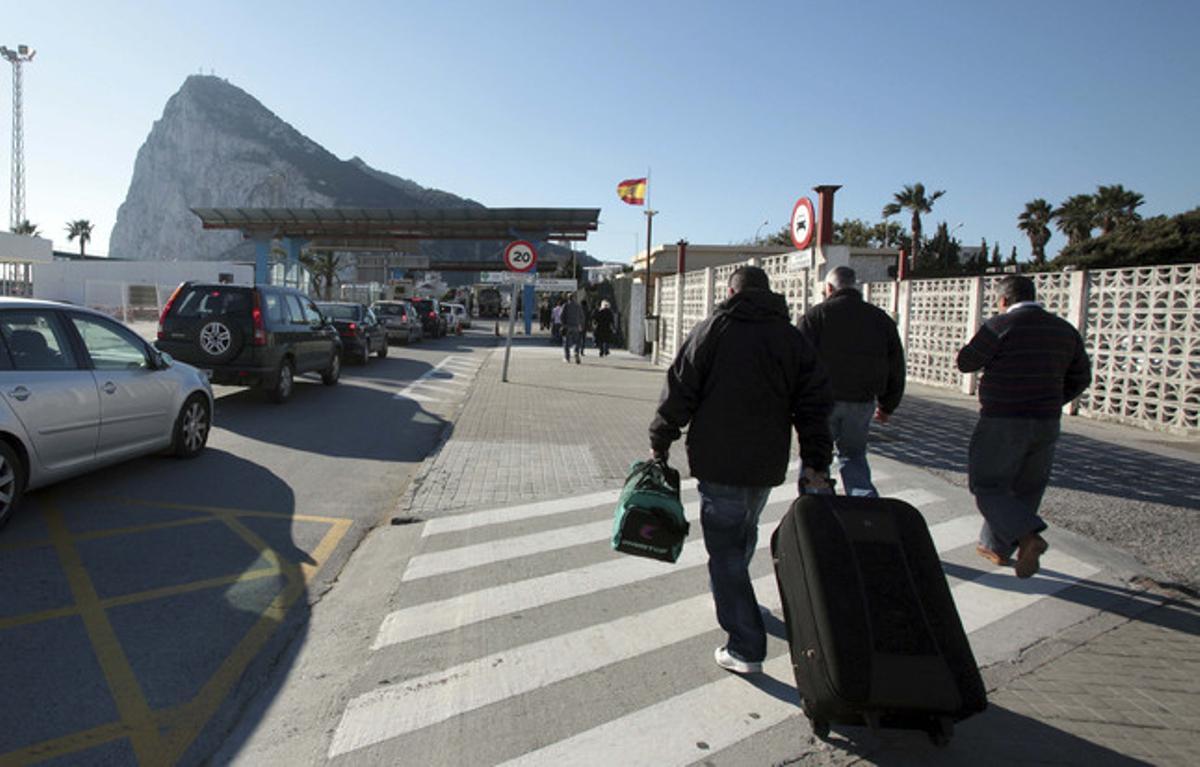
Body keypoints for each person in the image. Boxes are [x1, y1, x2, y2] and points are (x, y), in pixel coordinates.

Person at [649, 265, 833, 674]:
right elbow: (815, 405)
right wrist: (816, 460)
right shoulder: (792, 338)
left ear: (731, 291)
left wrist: (661, 437)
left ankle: (746, 646)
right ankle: (734, 598)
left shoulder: (713, 330)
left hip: (719, 460)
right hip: (766, 462)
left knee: (726, 552)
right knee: (743, 533)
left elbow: (680, 387)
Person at [957, 275, 1091, 579]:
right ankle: (997, 547)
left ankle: (1029, 538)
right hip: (1046, 421)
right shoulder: (1064, 330)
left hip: (1003, 419)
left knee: (988, 485)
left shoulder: (1000, 326)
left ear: (1004, 300)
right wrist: (1054, 398)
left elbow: (966, 362)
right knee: (1026, 488)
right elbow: (1081, 377)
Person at [797, 266, 906, 497]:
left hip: (821, 404)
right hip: (862, 402)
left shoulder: (815, 317)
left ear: (829, 288)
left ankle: (819, 512)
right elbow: (896, 365)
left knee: (817, 460)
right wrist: (888, 405)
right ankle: (864, 508)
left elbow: (799, 363)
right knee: (854, 456)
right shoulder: (880, 319)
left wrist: (796, 403)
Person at [561, 293, 584, 364]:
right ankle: (576, 353)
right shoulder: (578, 306)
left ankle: (567, 357)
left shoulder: (566, 306)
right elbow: (582, 316)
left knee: (566, 342)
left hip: (568, 326)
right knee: (576, 341)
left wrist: (563, 324)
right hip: (576, 326)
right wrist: (580, 325)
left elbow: (562, 316)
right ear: (574, 298)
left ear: (568, 298)